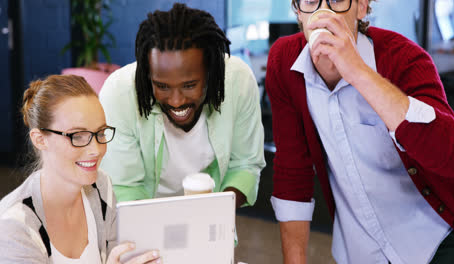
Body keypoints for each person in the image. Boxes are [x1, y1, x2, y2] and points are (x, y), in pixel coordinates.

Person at [265, 0, 454, 263]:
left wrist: (357, 71)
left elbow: (452, 156)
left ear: (361, 7)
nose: (322, 11)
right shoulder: (285, 63)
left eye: (337, 0)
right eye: (310, 1)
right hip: (360, 253)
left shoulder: (404, 57)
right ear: (298, 11)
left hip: (439, 241)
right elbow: (293, 173)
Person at [99, 3, 265, 208]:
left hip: (209, 217)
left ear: (210, 73)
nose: (176, 101)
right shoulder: (119, 92)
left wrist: (213, 214)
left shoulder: (237, 81)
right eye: (162, 86)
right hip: (141, 222)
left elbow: (244, 166)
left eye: (189, 85)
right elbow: (123, 187)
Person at [0, 75, 161, 263]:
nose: (95, 150)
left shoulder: (101, 186)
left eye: (100, 133)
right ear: (40, 139)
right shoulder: (14, 227)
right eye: (77, 136)